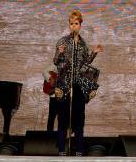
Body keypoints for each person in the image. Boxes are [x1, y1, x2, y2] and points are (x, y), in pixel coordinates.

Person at [53, 10, 103, 156]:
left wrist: (94, 52)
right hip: (64, 84)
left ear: (80, 25)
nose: (73, 26)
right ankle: (62, 149)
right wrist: (59, 53)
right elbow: (55, 62)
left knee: (79, 117)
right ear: (69, 25)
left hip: (79, 85)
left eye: (76, 24)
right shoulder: (62, 41)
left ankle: (79, 150)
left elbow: (85, 63)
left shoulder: (82, 43)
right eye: (71, 24)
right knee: (63, 117)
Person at [43, 63, 59, 131]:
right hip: (54, 97)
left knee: (62, 118)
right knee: (51, 118)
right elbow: (44, 71)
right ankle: (49, 137)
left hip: (64, 97)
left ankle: (61, 136)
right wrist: (51, 78)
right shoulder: (54, 65)